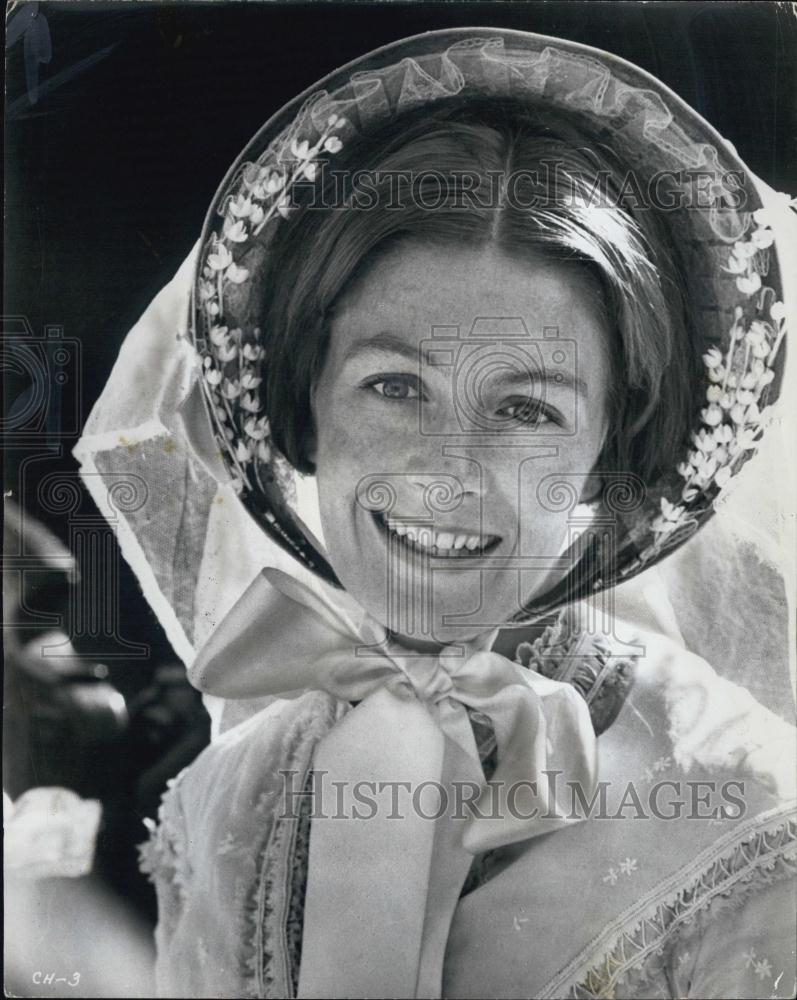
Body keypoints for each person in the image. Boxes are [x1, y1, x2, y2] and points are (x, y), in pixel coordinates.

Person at [74, 29, 796, 999]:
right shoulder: (224, 801)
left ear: (609, 455)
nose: (446, 475)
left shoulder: (749, 817)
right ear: (304, 404)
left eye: (526, 408)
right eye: (393, 386)